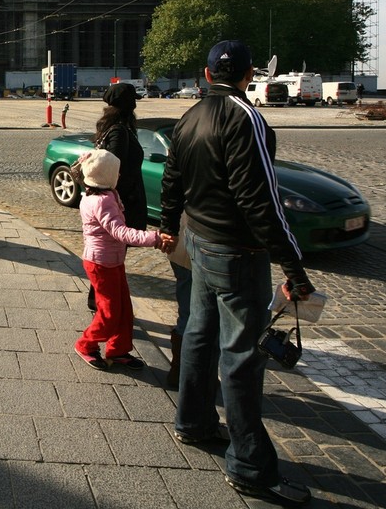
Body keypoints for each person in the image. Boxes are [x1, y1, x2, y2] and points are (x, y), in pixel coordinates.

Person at [160, 39, 316, 507]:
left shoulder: (188, 118)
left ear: (207, 75)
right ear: (250, 76)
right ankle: (250, 467)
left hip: (199, 240)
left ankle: (192, 422)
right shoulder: (247, 118)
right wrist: (293, 267)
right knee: (243, 358)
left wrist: (169, 225)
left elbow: (172, 179)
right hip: (238, 253)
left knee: (199, 334)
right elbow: (262, 200)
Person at [74, 149, 174, 370]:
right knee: (109, 312)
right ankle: (86, 345)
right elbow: (121, 232)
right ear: (107, 176)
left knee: (124, 309)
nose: (119, 175)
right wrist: (154, 238)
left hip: (112, 261)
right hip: (100, 264)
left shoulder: (106, 194)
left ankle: (118, 350)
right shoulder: (101, 202)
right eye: (116, 172)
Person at [85, 81, 148, 312]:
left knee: (111, 255)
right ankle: (101, 304)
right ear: (129, 106)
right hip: (121, 203)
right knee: (111, 256)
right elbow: (112, 168)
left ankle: (101, 301)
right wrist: (122, 198)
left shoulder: (114, 128)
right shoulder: (120, 131)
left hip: (120, 201)